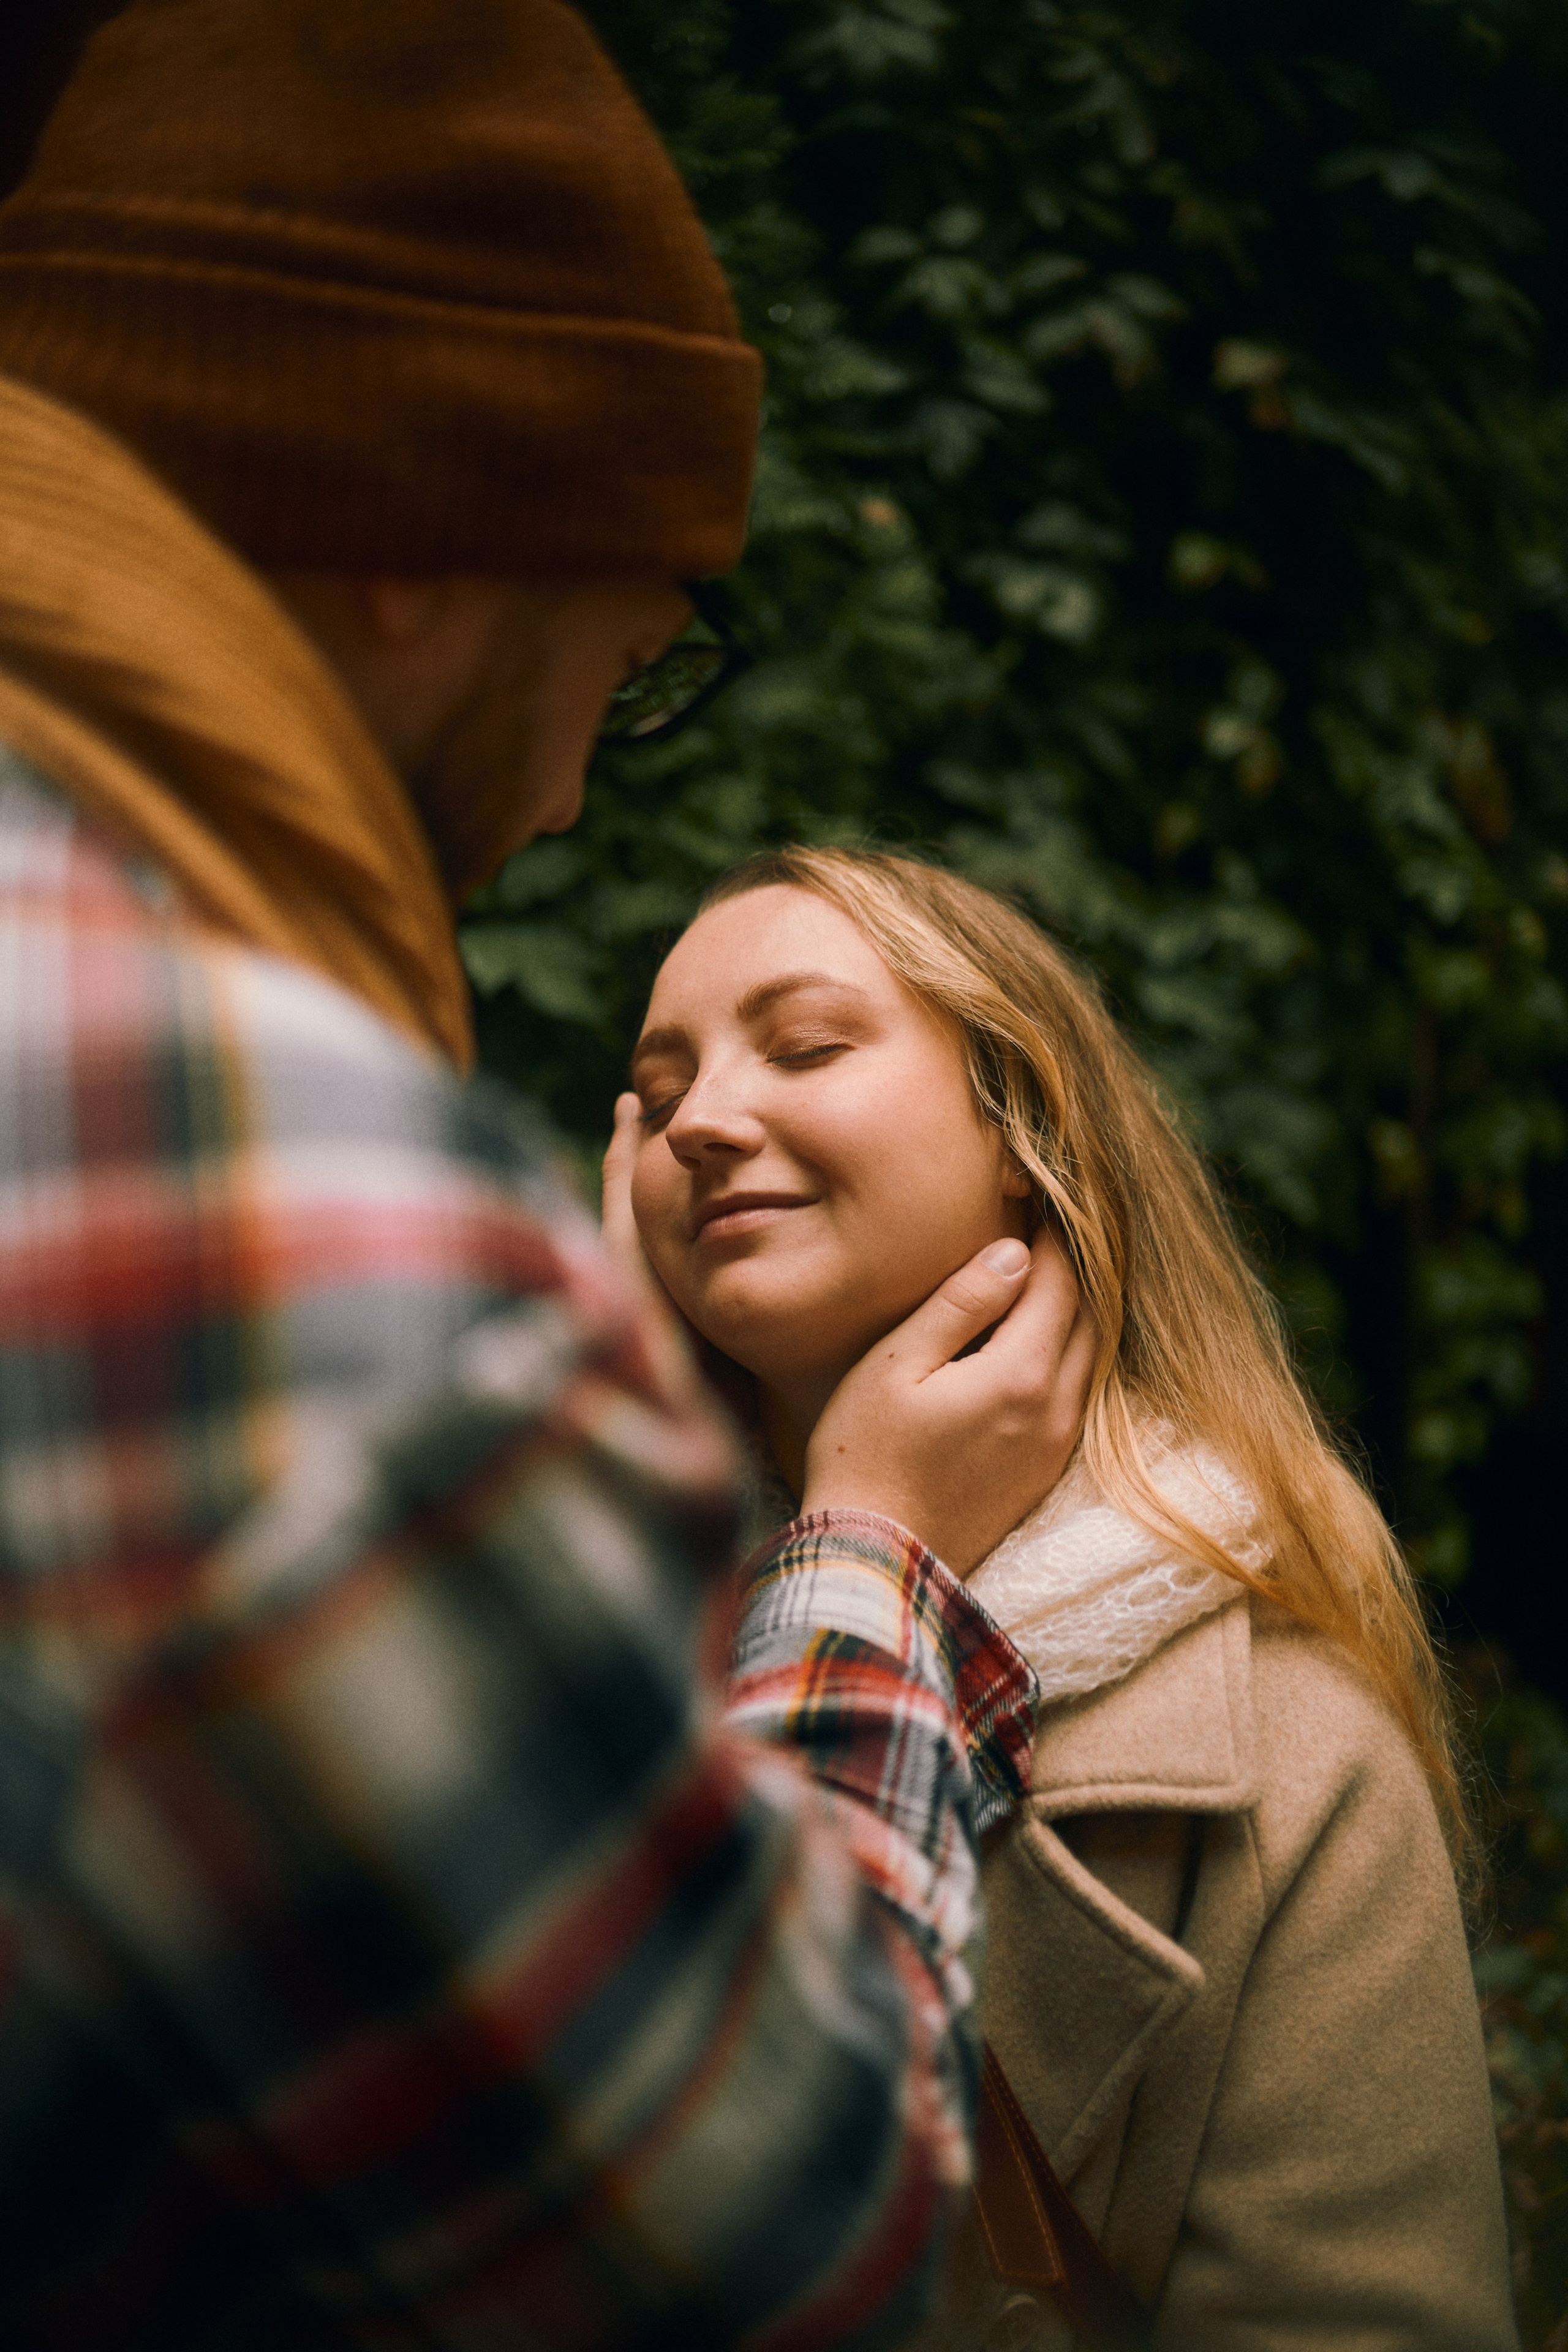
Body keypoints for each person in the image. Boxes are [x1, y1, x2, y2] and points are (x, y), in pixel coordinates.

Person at [0, 6, 1098, 2345]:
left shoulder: (1252, 1705)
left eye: (812, 1041)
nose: (582, 794)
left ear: (1041, 1129)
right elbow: (776, 2264)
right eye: (625, 658)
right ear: (413, 527)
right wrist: (859, 1567)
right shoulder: (317, 1241)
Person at [611, 845, 1520, 2352]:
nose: (701, 1120)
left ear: (1026, 1131)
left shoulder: (1282, 1755)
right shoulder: (524, 1626)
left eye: (805, 1045)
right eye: (656, 1087)